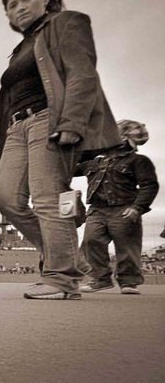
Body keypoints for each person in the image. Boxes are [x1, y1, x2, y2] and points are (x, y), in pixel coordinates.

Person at [0, 0, 122, 300]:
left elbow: (82, 75)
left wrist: (72, 123)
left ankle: (62, 279)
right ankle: (71, 261)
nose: (19, 7)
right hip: (17, 127)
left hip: (49, 119)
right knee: (7, 200)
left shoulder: (67, 23)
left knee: (47, 199)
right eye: (12, 4)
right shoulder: (20, 47)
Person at [76, 120, 159, 295]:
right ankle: (100, 279)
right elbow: (69, 167)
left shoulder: (138, 160)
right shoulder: (93, 162)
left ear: (124, 137)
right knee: (91, 241)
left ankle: (129, 282)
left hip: (125, 208)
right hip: (96, 210)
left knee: (127, 246)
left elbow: (149, 185)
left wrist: (138, 207)